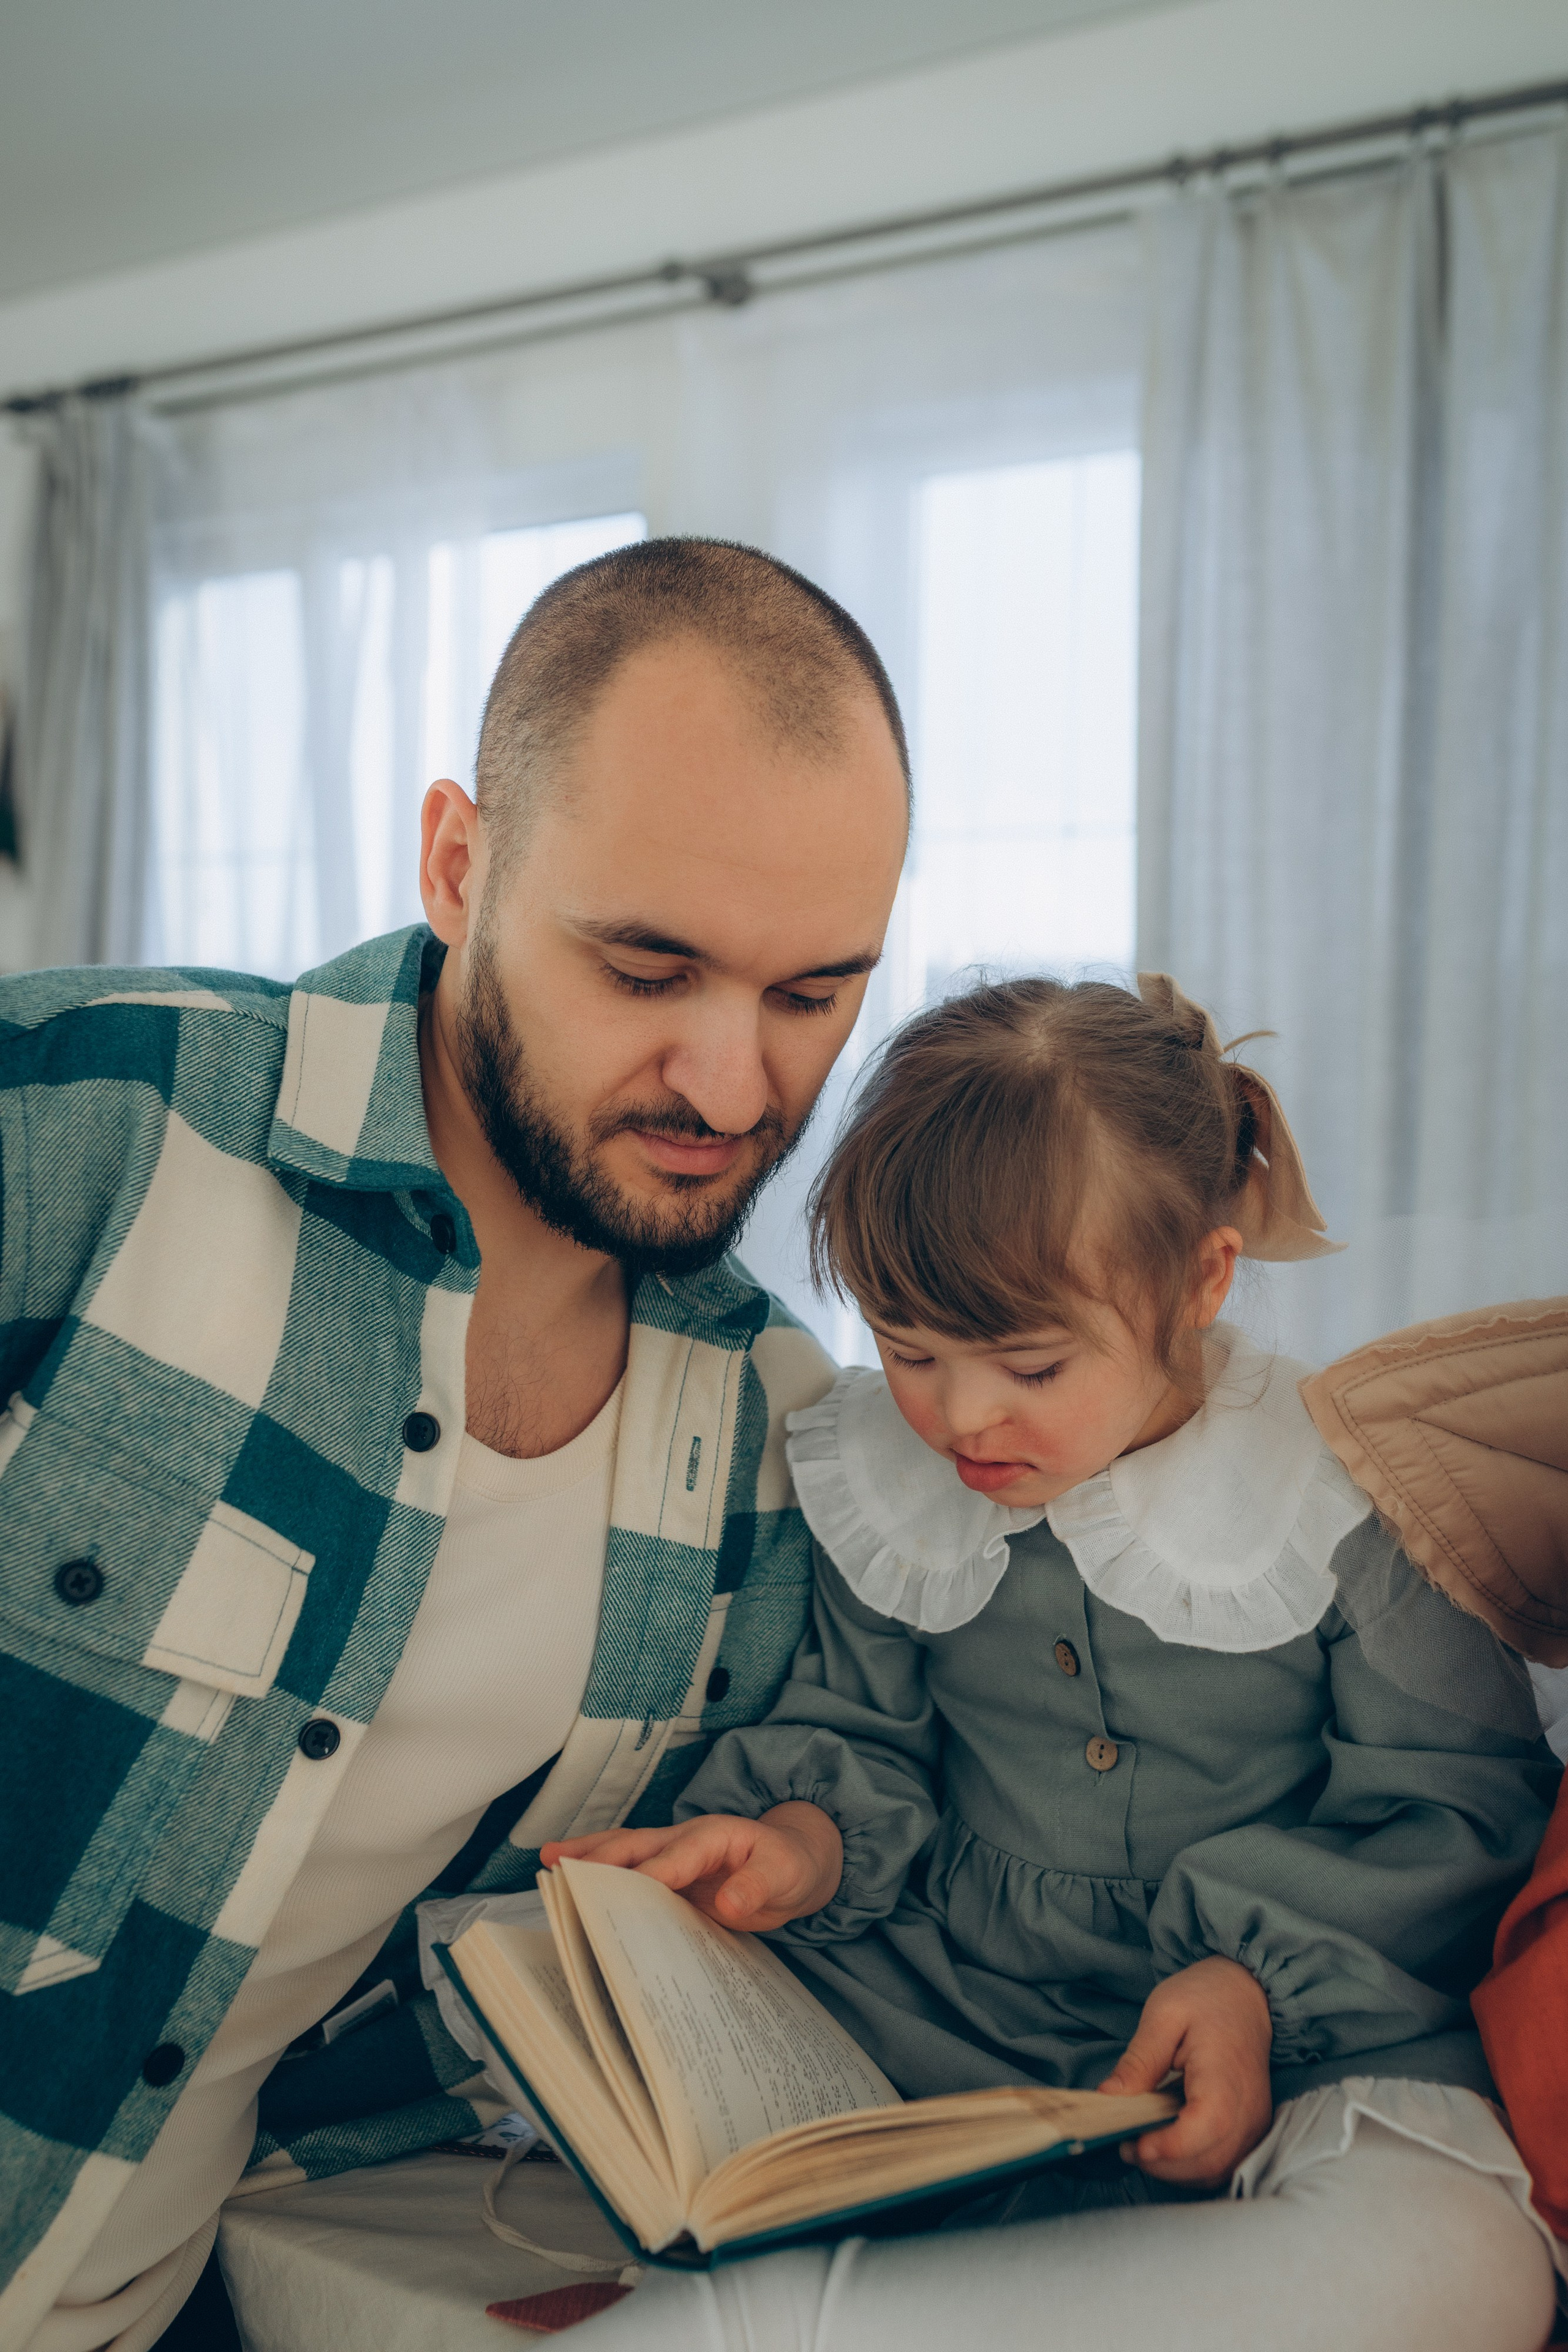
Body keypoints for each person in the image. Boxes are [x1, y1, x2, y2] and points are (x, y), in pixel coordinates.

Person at [0, 539, 911, 2352]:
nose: (734, 1089)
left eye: (812, 996)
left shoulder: (764, 1444)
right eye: (650, 967)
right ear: (458, 863)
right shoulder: (73, 1127)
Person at [551, 973, 1563, 2352]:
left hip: (1310, 2025)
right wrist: (796, 1843)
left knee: (1465, 2266)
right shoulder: (883, 1480)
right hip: (949, 2017)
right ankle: (775, 2317)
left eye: (1028, 1364)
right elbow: (858, 1731)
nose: (959, 1417)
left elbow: (1454, 1803)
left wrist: (1247, 1985)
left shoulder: (1341, 1494)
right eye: (907, 1350)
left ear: (1199, 1281)